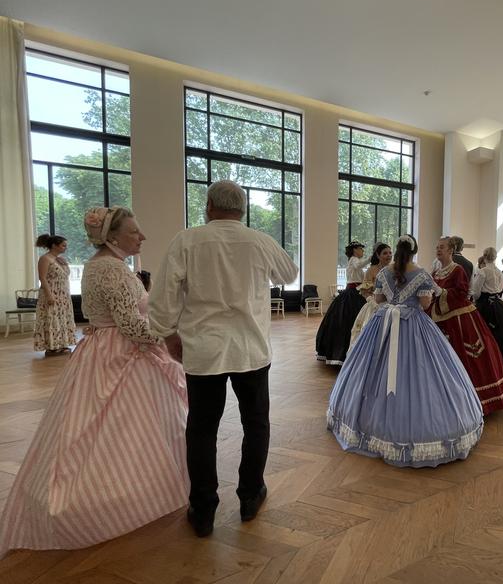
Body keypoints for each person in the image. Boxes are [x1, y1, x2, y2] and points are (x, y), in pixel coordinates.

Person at [0, 207, 188, 555]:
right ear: (112, 237)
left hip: (105, 348)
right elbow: (131, 326)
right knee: (125, 426)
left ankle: (138, 485)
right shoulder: (111, 269)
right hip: (122, 353)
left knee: (110, 426)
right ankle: (122, 496)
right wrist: (170, 337)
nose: (142, 237)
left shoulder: (100, 264)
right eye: (134, 232)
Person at [149, 180, 298, 538]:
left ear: (209, 206)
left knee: (201, 428)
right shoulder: (259, 241)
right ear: (242, 209)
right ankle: (250, 495)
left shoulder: (187, 240)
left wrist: (167, 333)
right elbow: (289, 273)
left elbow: (163, 294)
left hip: (203, 348)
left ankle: (202, 509)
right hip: (250, 349)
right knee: (256, 423)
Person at [328, 235, 483, 467]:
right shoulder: (421, 274)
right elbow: (425, 304)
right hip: (413, 325)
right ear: (414, 252)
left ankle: (366, 424)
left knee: (372, 369)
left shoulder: (384, 272)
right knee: (419, 372)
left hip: (383, 323)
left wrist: (393, 301)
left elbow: (378, 298)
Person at [430, 237, 503, 415]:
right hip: (438, 318)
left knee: (469, 355)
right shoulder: (436, 271)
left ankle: (472, 400)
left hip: (458, 319)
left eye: (441, 247)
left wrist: (441, 292)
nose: (438, 250)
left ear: (451, 250)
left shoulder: (457, 269)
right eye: (437, 247)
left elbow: (461, 293)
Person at [316, 240, 368, 365]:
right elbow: (359, 266)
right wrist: (372, 257)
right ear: (355, 250)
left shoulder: (354, 260)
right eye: (361, 249)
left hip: (357, 292)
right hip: (352, 293)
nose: (362, 251)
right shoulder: (354, 260)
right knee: (349, 320)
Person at [33, 234, 76, 355]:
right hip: (51, 293)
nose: (65, 248)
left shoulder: (59, 259)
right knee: (51, 319)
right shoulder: (45, 258)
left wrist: (65, 264)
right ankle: (51, 346)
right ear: (54, 246)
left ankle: (62, 344)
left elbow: (65, 275)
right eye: (63, 245)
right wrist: (49, 295)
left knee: (61, 319)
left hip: (63, 294)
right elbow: (42, 278)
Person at [349, 242, 392, 349]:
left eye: (390, 253)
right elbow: (364, 291)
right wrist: (372, 302)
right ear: (378, 255)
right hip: (375, 305)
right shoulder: (372, 270)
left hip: (392, 306)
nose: (389, 255)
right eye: (385, 253)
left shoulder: (395, 269)